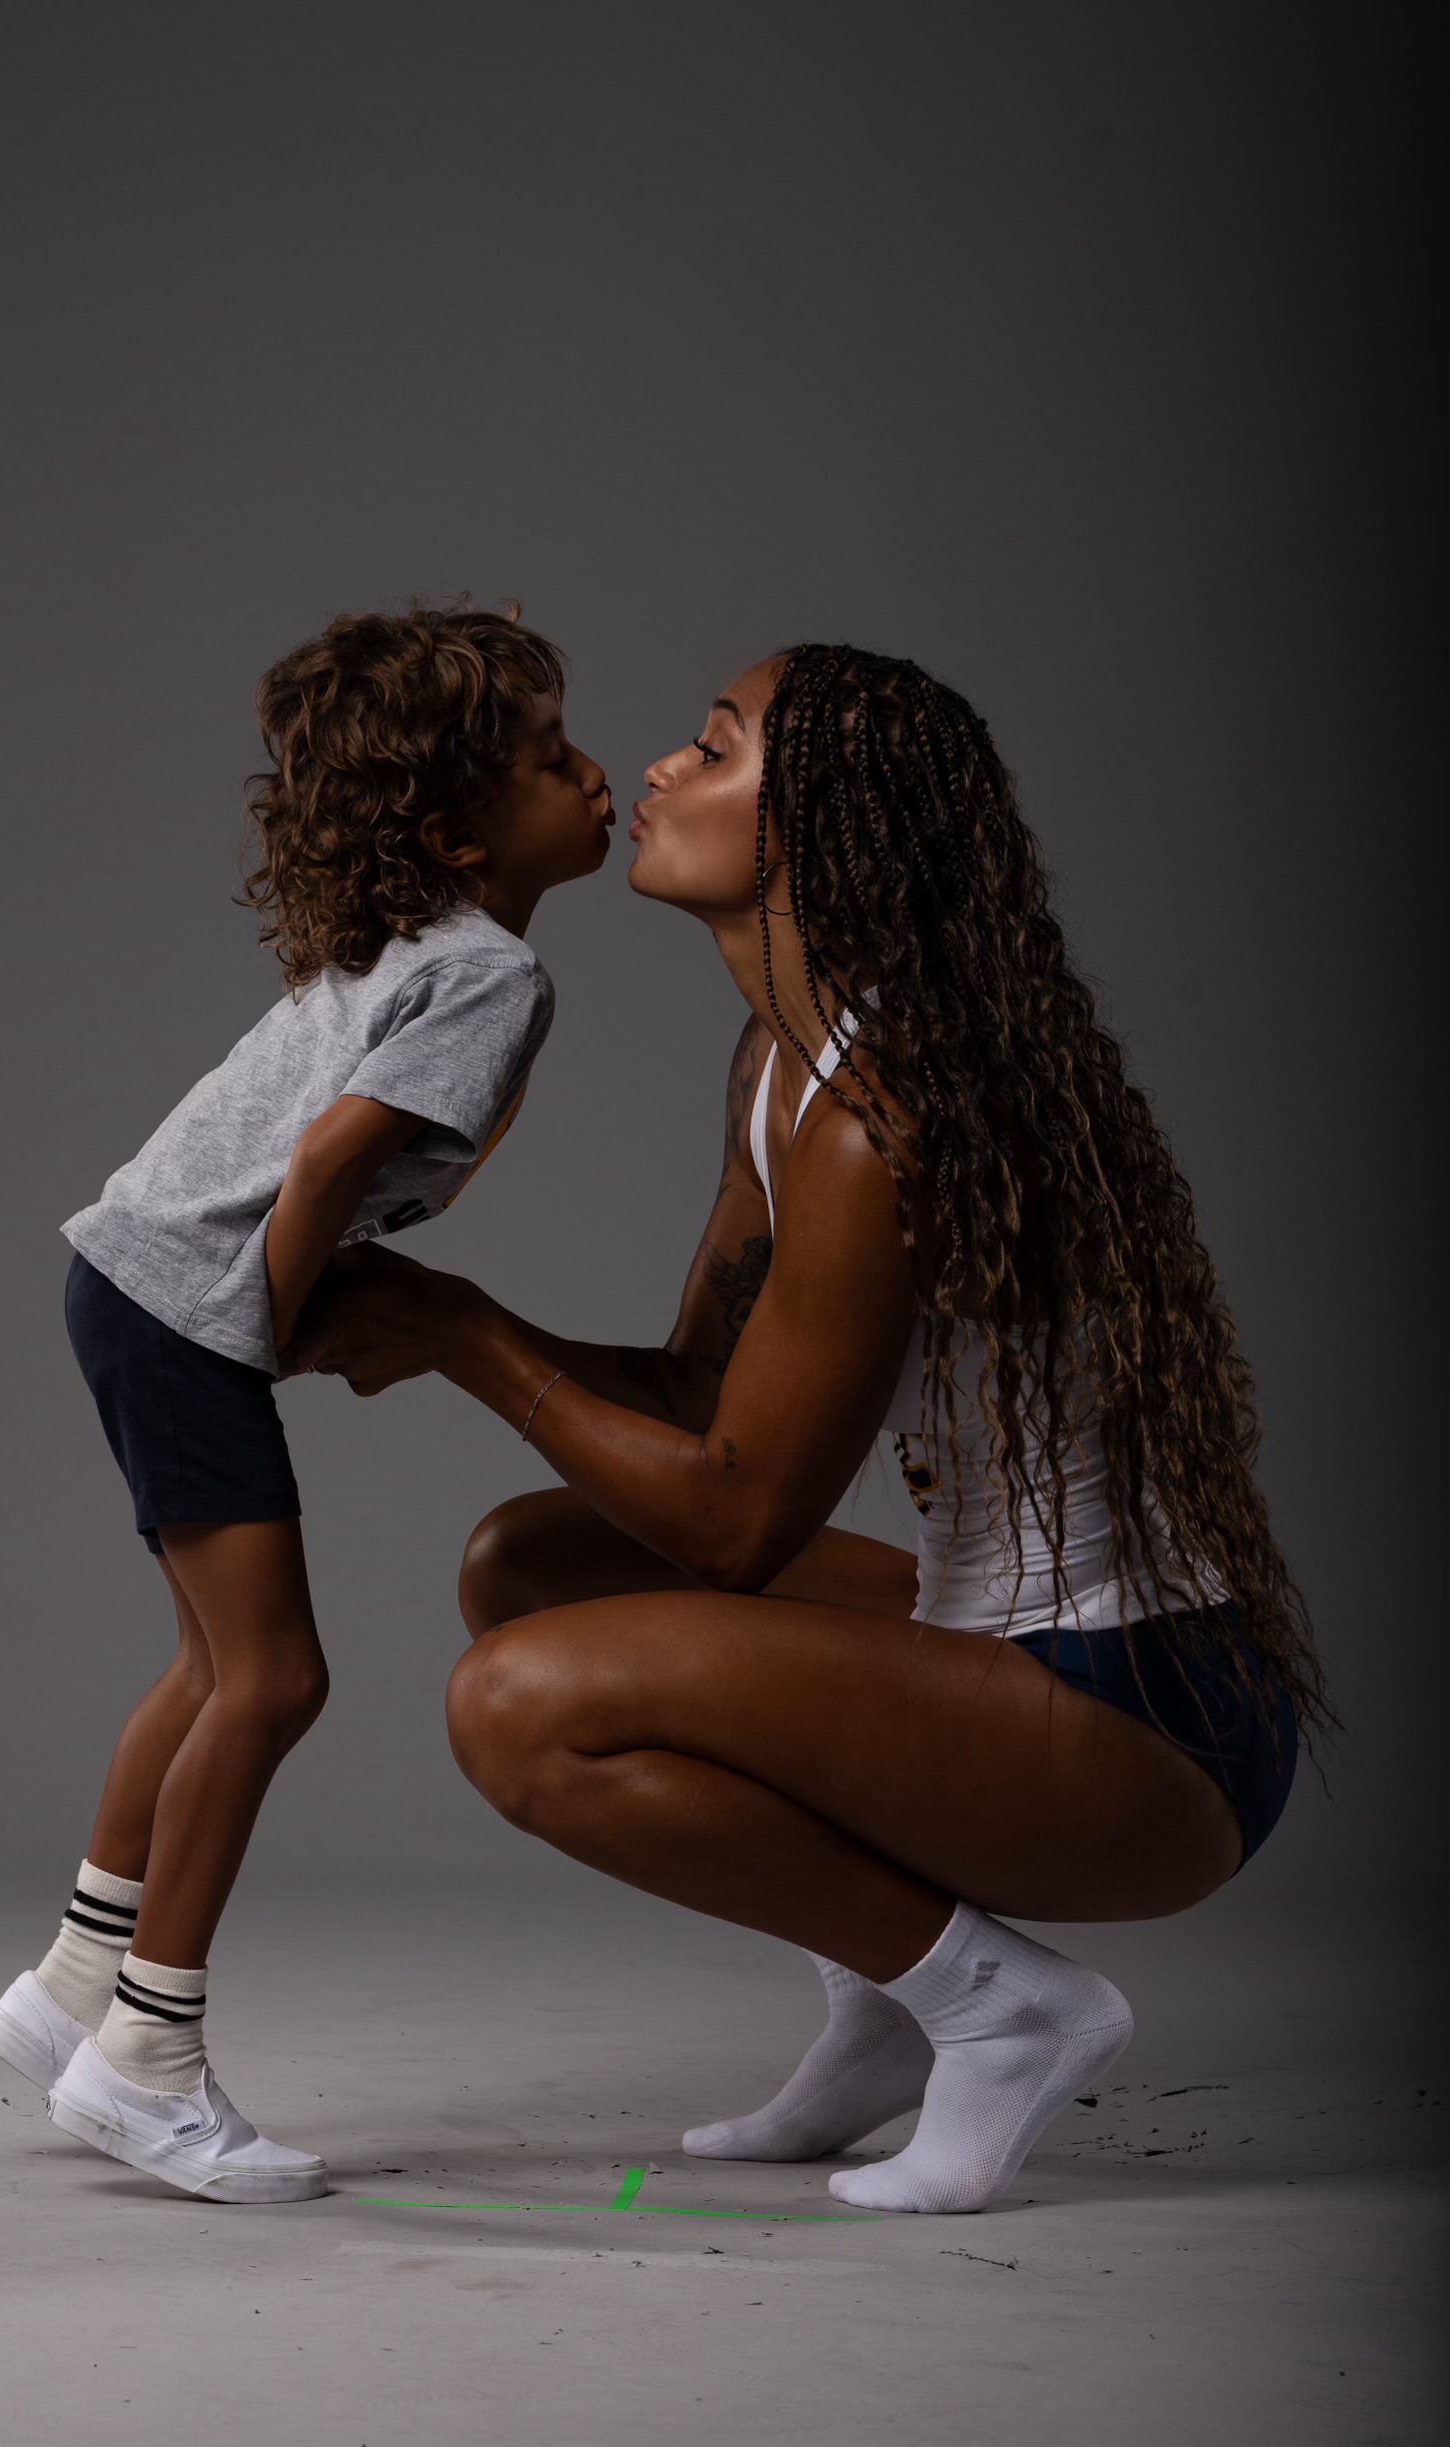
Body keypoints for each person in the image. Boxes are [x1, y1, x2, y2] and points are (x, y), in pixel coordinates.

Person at [290, 643, 1331, 2216]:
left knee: (518, 1707)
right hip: (1004, 1658)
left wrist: (462, 1335)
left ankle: (1000, 2007)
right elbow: (713, 1404)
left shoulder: (874, 1113)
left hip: (1146, 1727)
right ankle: (889, 2010)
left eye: (710, 752)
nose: (654, 771)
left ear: (823, 830)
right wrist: (427, 1317)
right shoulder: (783, 1059)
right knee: (536, 1564)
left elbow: (735, 1520)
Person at [0, 604, 613, 2203]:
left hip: (120, 1282)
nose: (599, 775)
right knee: (274, 1683)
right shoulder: (495, 975)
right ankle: (147, 2063)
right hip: (179, 1310)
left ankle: (68, 1990)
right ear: (466, 830)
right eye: (554, 762)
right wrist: (273, 1318)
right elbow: (330, 1159)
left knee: (209, 1664)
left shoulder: (425, 949)